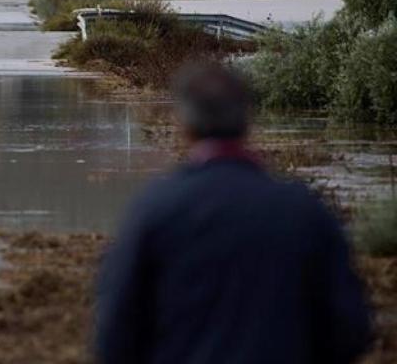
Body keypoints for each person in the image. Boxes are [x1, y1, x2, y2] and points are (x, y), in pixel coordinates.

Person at [95, 62, 373, 364]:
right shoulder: (305, 209)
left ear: (182, 124)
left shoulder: (152, 208)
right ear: (248, 119)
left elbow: (114, 334)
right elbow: (350, 330)